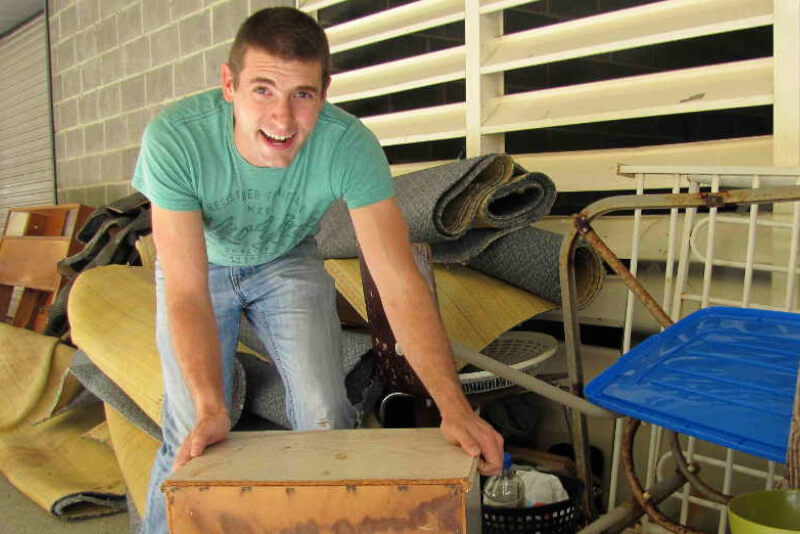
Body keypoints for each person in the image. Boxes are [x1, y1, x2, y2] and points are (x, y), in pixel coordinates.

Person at [132, 7, 503, 534]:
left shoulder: (348, 146)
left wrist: (454, 405)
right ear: (228, 84)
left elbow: (398, 281)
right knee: (189, 429)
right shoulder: (175, 139)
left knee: (326, 414)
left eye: (302, 95)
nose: (282, 120)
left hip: (286, 259)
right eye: (262, 89)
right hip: (203, 266)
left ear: (324, 92)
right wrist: (214, 407)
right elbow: (188, 290)